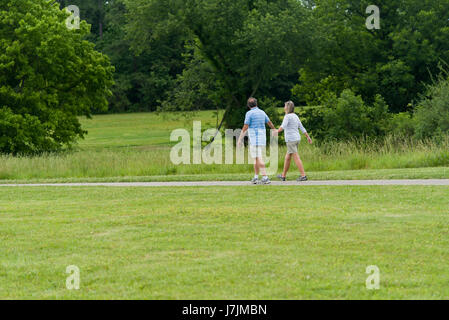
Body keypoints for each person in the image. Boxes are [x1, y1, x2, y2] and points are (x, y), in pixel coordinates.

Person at [238, 97, 277, 184]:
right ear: (257, 104)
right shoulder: (262, 112)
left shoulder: (249, 113)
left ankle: (265, 177)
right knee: (255, 158)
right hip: (262, 138)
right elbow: (269, 122)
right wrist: (274, 129)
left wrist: (240, 139)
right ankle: (256, 177)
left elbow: (245, 127)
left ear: (248, 105)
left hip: (254, 139)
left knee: (258, 158)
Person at [276, 101, 312, 182]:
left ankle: (303, 176)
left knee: (296, 157)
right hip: (296, 139)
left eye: (285, 106)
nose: (284, 107)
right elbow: (301, 127)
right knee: (288, 157)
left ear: (288, 107)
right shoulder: (295, 116)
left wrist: (276, 131)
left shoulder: (287, 116)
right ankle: (283, 176)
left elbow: (283, 126)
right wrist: (308, 136)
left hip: (291, 140)